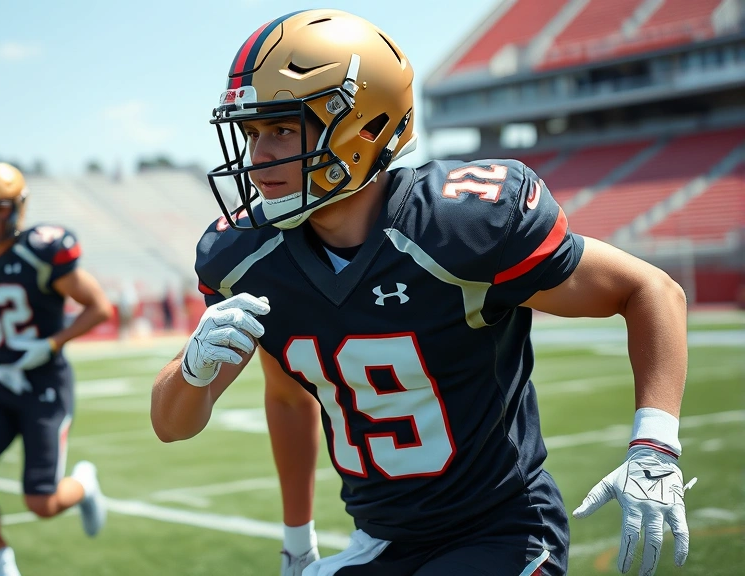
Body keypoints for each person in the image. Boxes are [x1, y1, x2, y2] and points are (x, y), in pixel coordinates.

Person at [150, 10, 692, 576]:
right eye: (251, 133)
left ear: (363, 125)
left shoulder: (460, 224)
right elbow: (204, 417)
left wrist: (654, 446)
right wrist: (193, 373)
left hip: (502, 531)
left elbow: (650, 289)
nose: (259, 156)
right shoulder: (250, 257)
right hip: (381, 543)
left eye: (282, 129)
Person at [0, 162, 114, 576]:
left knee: (41, 503)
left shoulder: (40, 252)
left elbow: (99, 307)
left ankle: (84, 485)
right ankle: (3, 568)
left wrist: (52, 343)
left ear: (17, 208)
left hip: (45, 382)